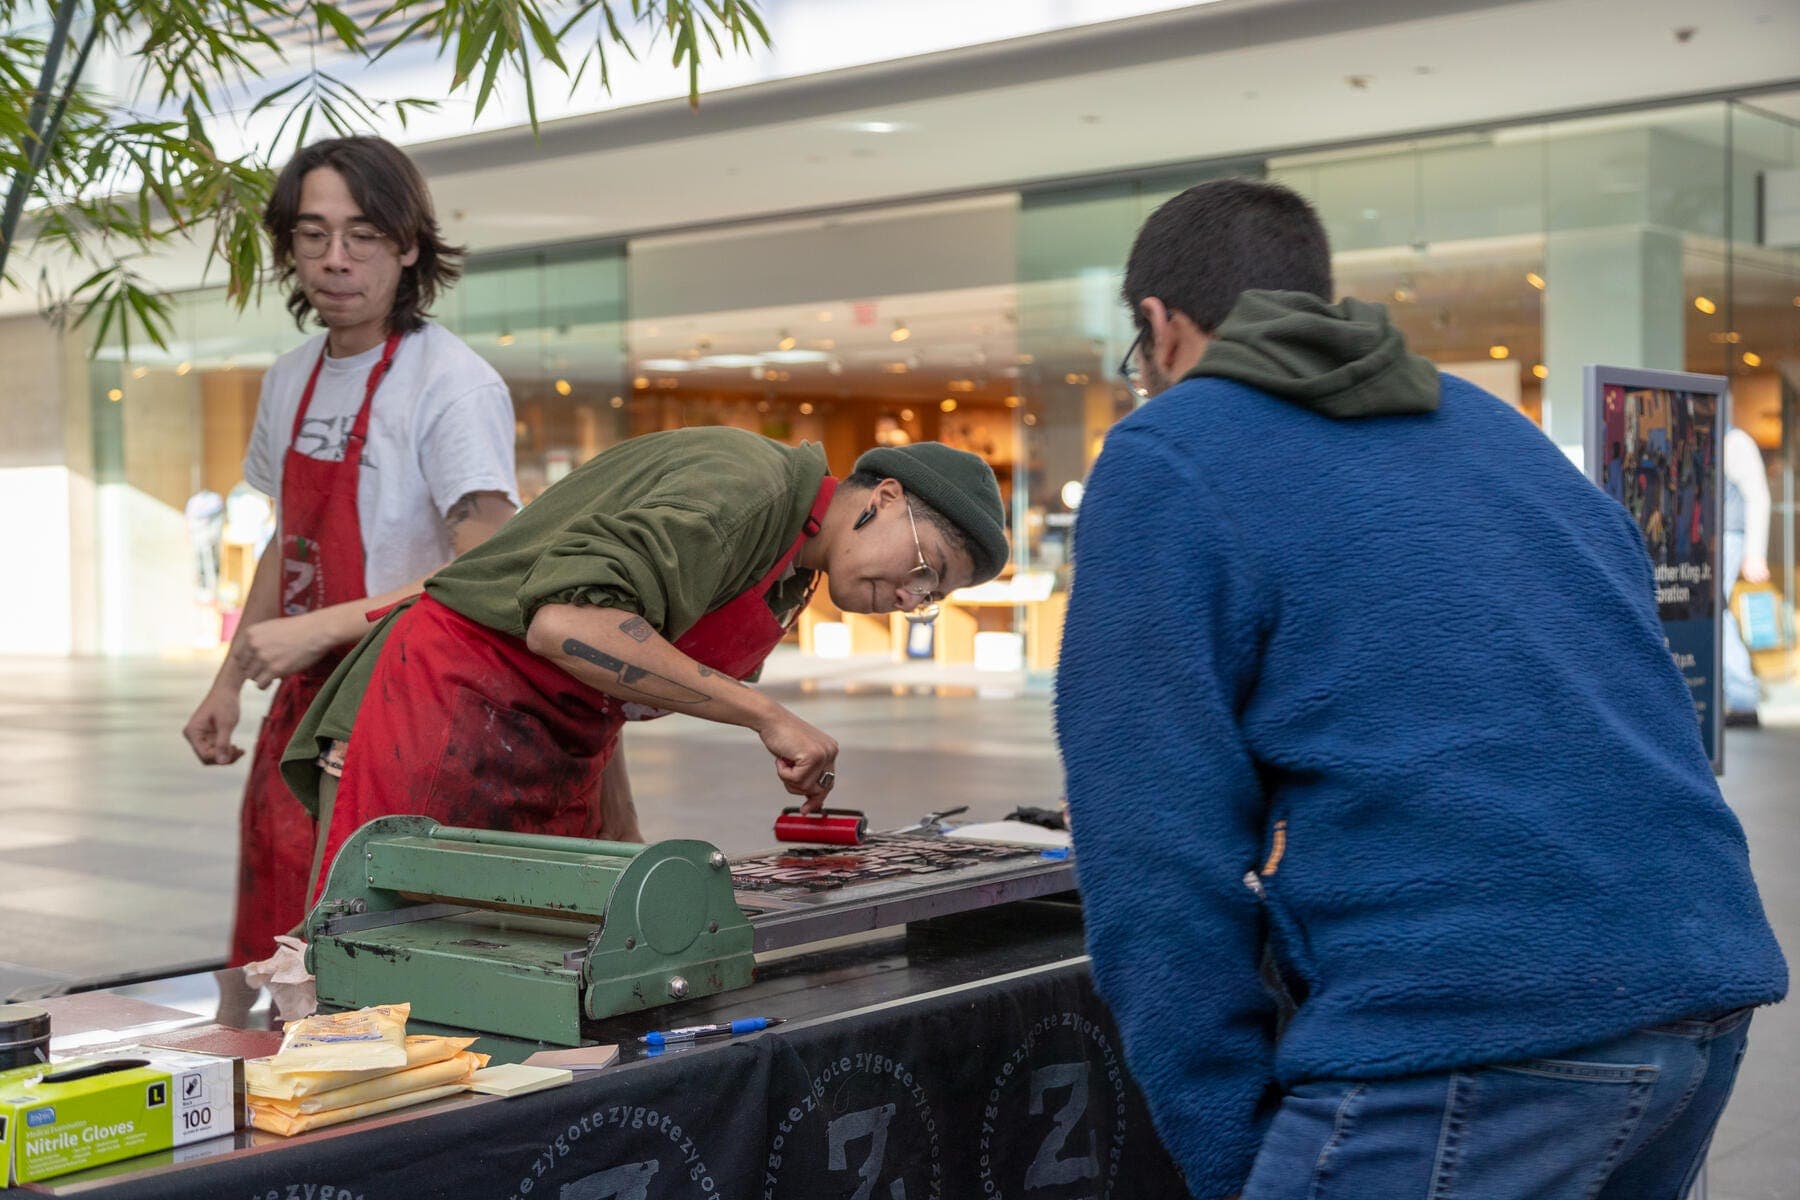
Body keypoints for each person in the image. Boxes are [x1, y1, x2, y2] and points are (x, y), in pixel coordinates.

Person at [1055, 178, 1786, 1200]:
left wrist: (1234, 1155)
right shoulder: (1498, 433)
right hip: (1699, 977)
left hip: (1474, 1016)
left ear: (1160, 327)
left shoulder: (1168, 453)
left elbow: (1154, 854)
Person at [280, 429, 1008, 896]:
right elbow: (567, 624)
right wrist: (765, 714)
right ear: (886, 497)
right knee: (381, 979)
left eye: (930, 596)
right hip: (441, 710)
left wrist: (622, 840)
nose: (911, 595)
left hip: (545, 747)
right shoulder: (746, 491)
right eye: (925, 566)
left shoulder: (793, 571)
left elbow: (610, 690)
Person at [182, 136, 520, 966]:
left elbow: (491, 569)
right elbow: (284, 538)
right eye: (312, 235)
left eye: (362, 236)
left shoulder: (451, 383)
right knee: (276, 938)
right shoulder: (290, 376)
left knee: (365, 950)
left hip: (404, 702)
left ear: (409, 247)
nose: (336, 260)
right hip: (299, 702)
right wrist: (229, 683)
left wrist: (324, 626)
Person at [1722, 425, 1771, 727]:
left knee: (1717, 614)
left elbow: (1757, 496)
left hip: (1729, 536)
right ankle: (1740, 696)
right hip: (1715, 538)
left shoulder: (1735, 440)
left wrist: (1754, 552)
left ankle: (1742, 697)